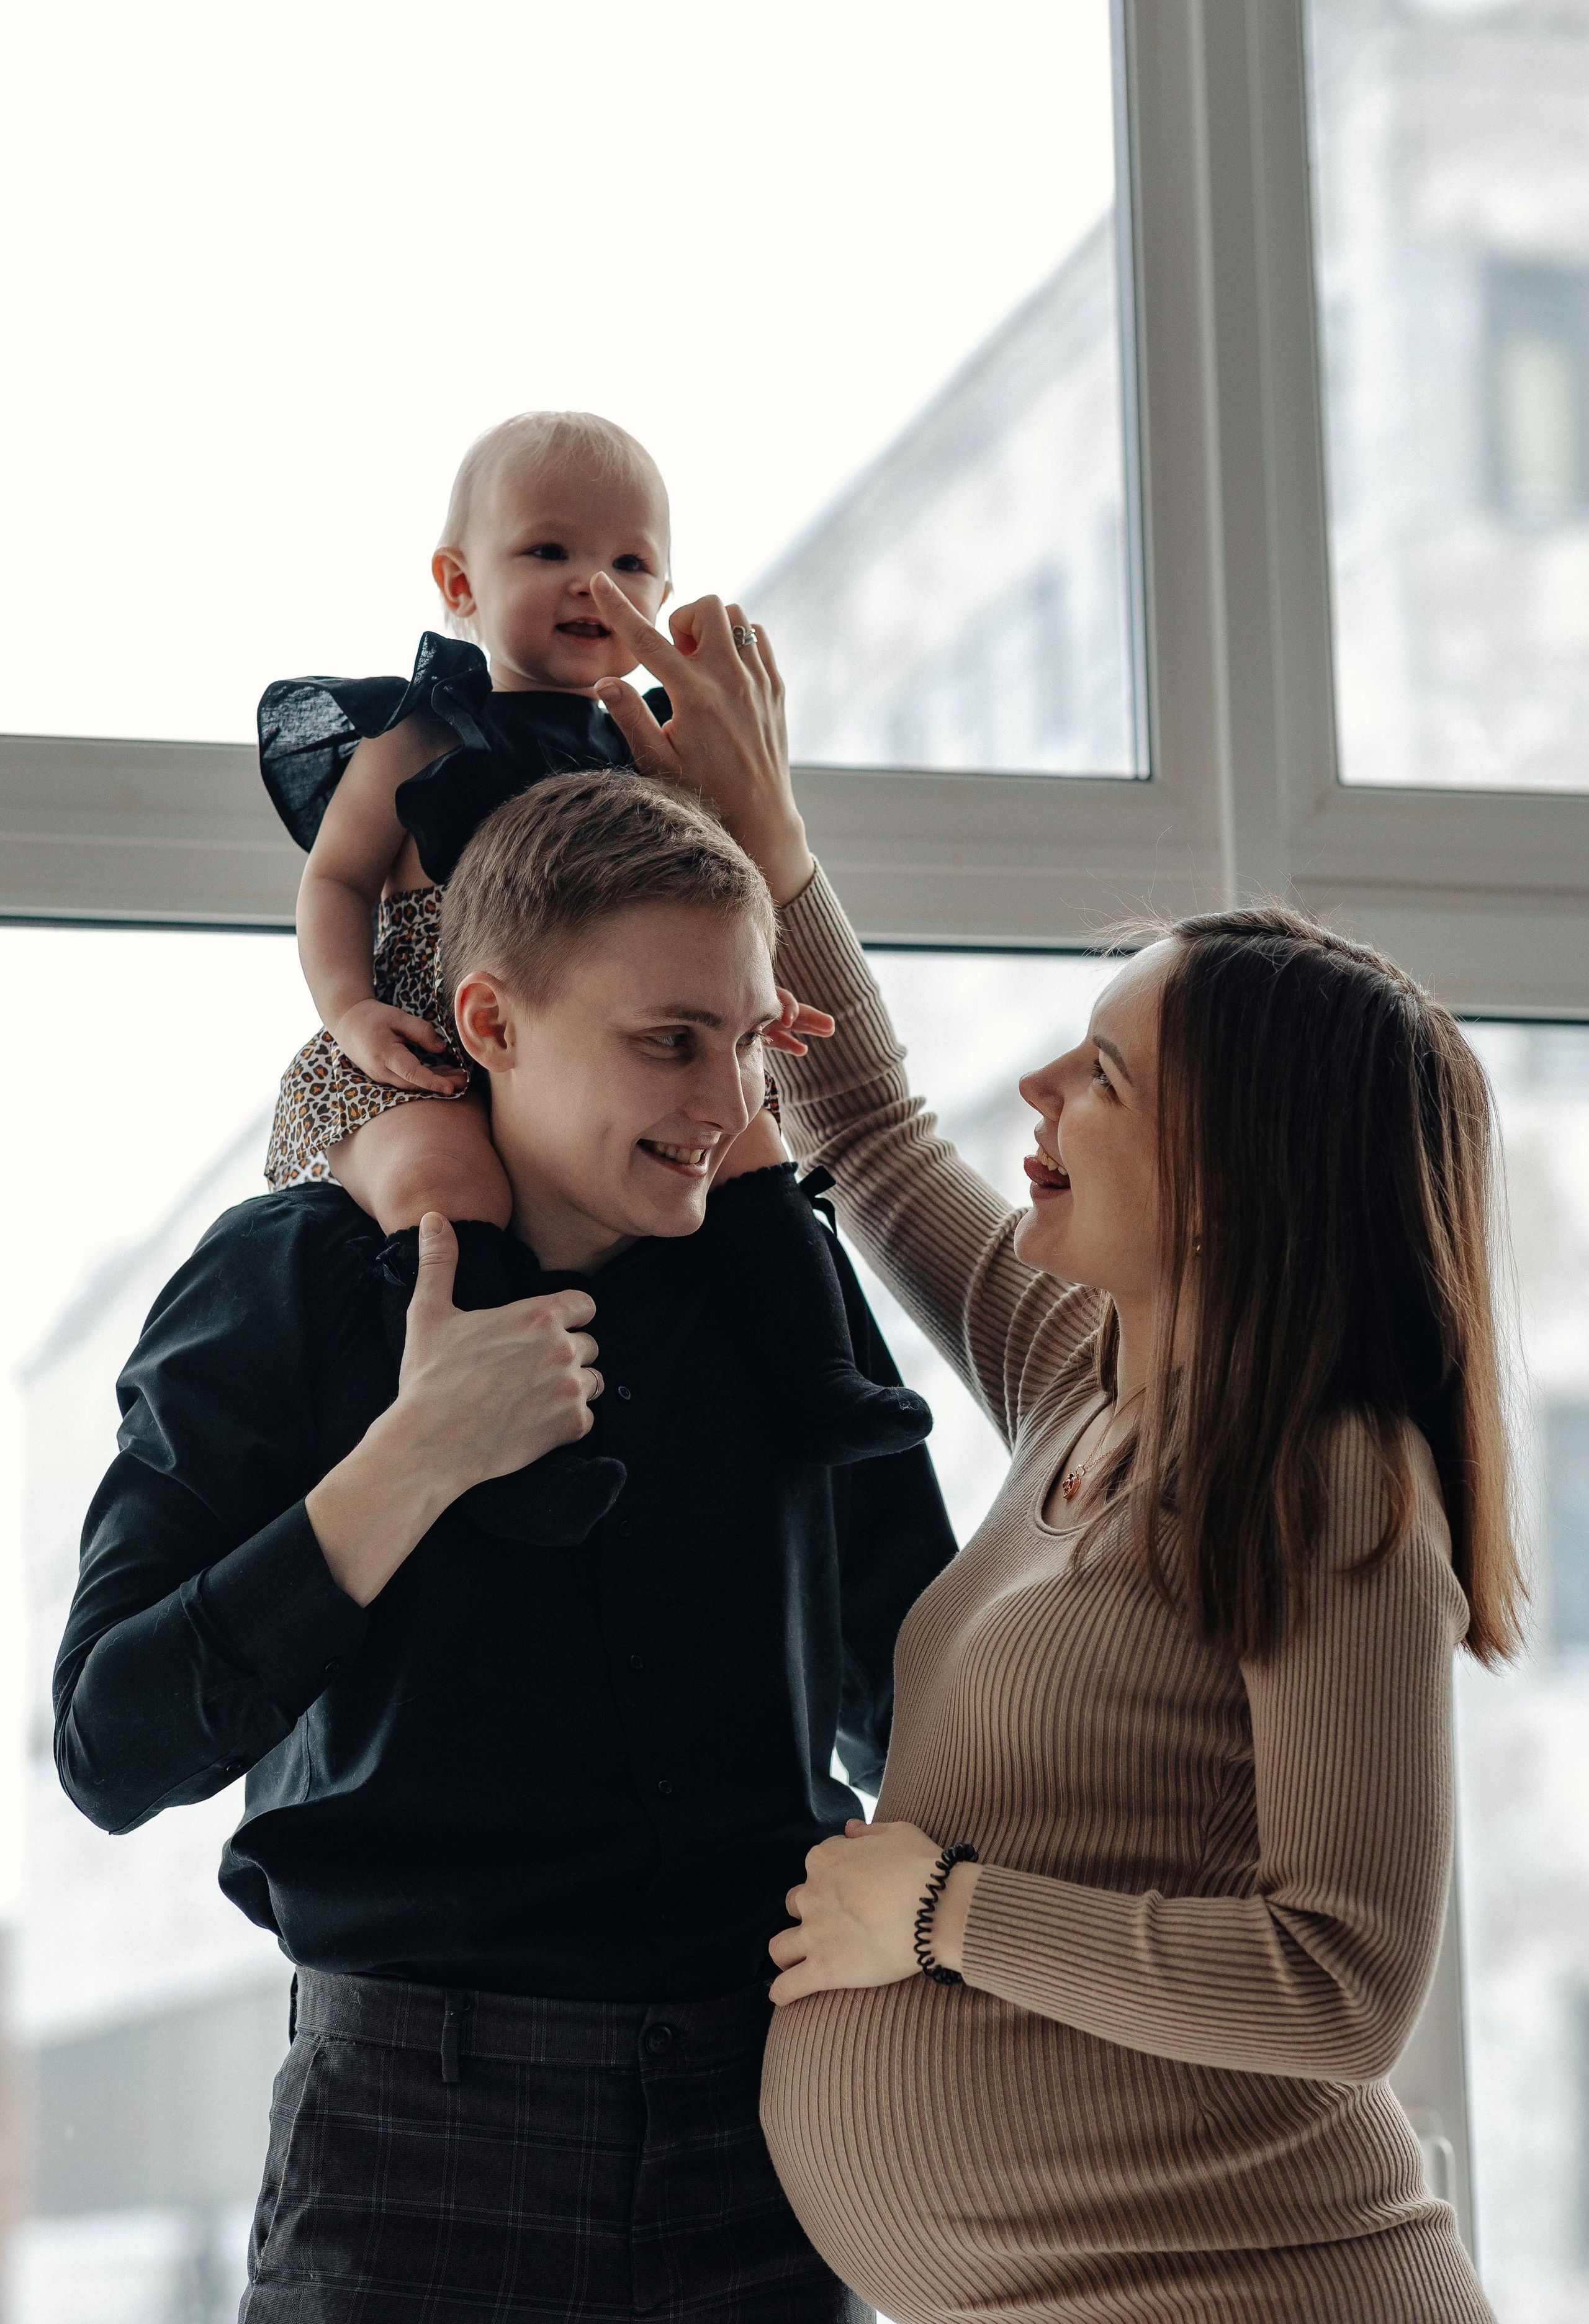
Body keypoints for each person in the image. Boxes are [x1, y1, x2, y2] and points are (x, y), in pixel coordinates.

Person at [589, 570, 1521, 2323]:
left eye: (1103, 1075)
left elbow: (1346, 1983)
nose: (1035, 1090)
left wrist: (944, 1915)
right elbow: (856, 1120)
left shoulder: (1329, 1485)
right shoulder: (1082, 1376)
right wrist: (772, 842)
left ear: (1233, 1183)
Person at [54, 760, 955, 2322]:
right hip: (412, 2152)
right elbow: (107, 1745)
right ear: (487, 1024)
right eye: (666, 1042)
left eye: (744, 1045)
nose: (725, 1107)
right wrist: (409, 1462)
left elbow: (926, 1696)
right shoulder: (285, 1282)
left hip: (780, 2142)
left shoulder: (774, 1292)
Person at [256, 408, 927, 1544]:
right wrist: (350, 1010)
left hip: (599, 1062)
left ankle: (820, 1380)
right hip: (415, 1048)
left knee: (756, 1135)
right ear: (457, 581)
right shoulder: (418, 737)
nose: (591, 585)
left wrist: (750, 1010)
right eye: (549, 552)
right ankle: (502, 1440)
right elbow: (335, 887)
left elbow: (709, 913)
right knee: (440, 1183)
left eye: (629, 563)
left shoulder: (645, 753)